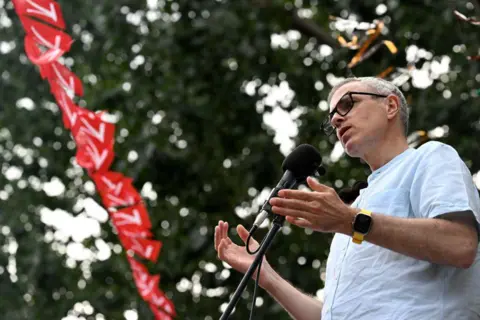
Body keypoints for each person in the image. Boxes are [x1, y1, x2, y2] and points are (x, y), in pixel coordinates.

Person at [214, 77, 480, 320]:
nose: (336, 120)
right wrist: (266, 276)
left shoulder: (430, 158)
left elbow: (461, 244)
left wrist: (350, 221)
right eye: (331, 118)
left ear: (390, 106)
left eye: (348, 104)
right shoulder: (354, 211)